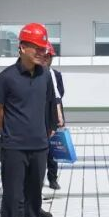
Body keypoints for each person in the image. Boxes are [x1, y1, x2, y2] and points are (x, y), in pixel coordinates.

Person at [0, 23, 58, 217]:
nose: (42, 52)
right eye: (37, 48)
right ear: (22, 47)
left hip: (39, 146)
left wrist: (47, 130)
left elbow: (49, 104)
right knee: (12, 197)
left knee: (34, 196)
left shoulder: (45, 75)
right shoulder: (5, 78)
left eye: (43, 48)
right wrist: (10, 132)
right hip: (14, 148)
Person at [43, 42, 64, 191]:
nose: (47, 59)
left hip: (55, 115)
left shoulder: (56, 74)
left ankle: (53, 178)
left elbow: (60, 94)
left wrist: (59, 115)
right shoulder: (36, 75)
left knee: (53, 149)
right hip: (40, 117)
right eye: (45, 56)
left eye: (49, 57)